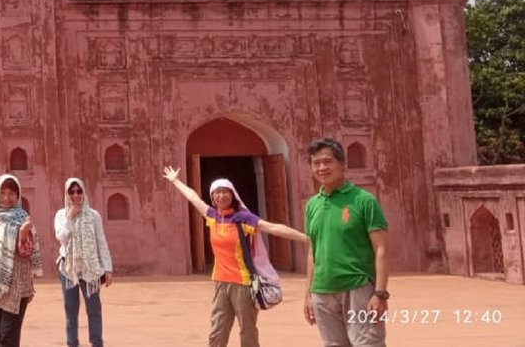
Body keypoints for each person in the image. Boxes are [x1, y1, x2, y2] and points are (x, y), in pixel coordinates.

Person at [162, 166, 308, 347]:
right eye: (217, 192)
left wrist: (307, 239)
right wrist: (175, 181)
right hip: (221, 282)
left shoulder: (244, 218)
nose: (221, 196)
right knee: (218, 328)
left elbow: (273, 228)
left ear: (233, 195)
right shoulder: (212, 216)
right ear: (212, 197)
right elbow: (193, 197)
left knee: (247, 329)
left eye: (225, 192)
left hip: (244, 284)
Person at [302, 138, 389, 347]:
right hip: (322, 292)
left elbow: (382, 249)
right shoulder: (312, 205)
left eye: (327, 162)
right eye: (316, 163)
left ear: (342, 164)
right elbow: (313, 252)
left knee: (367, 344)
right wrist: (308, 294)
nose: (322, 168)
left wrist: (380, 293)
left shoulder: (363, 200)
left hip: (357, 288)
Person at [0, 174, 41, 347]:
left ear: (18, 195)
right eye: (3, 193)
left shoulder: (23, 218)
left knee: (9, 337)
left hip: (16, 287)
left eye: (11, 193)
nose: (7, 198)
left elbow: (28, 252)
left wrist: (22, 236)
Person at [53, 177, 112, 347]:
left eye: (79, 191)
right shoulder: (61, 215)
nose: (76, 195)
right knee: (71, 310)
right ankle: (72, 343)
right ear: (66, 194)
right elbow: (61, 238)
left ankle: (97, 342)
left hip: (90, 268)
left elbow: (101, 241)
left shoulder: (93, 216)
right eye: (71, 192)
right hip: (68, 268)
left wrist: (108, 268)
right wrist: (70, 217)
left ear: (83, 192)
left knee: (94, 309)